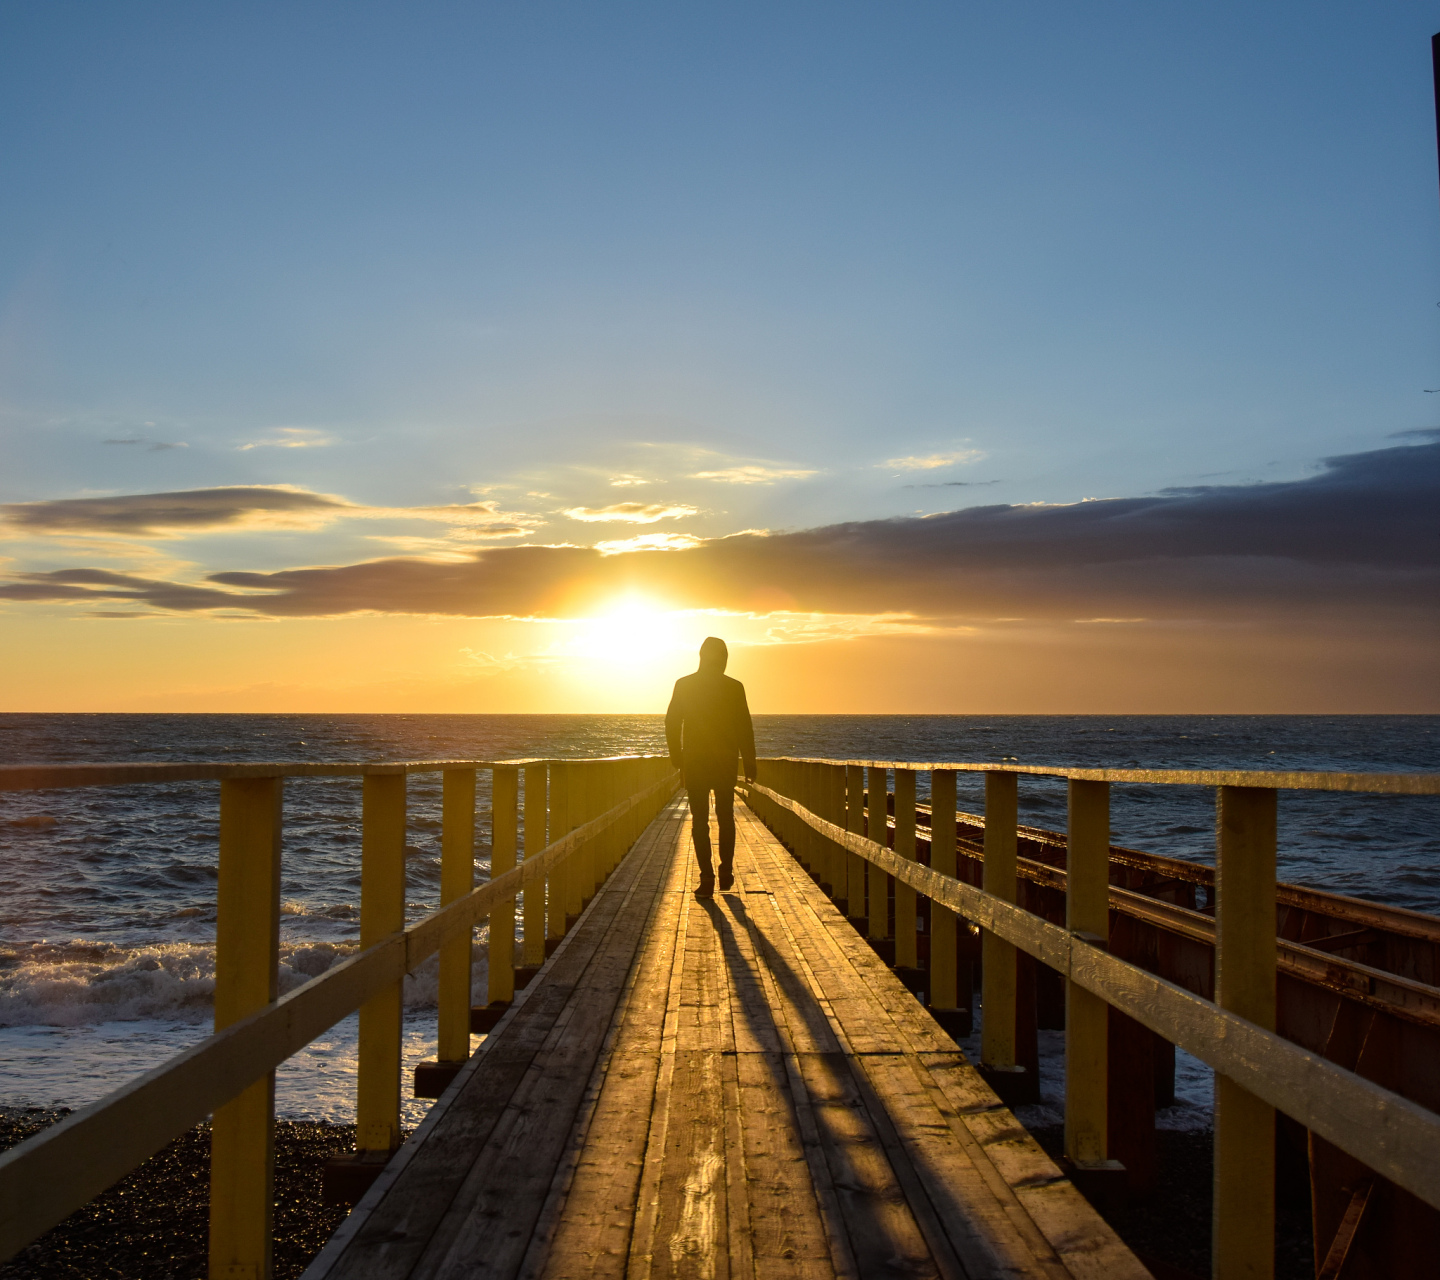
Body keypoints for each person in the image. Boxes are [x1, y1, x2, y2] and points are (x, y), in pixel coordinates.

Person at [665, 636, 757, 897]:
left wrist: (677, 758)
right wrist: (749, 763)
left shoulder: (684, 685)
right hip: (725, 762)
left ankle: (707, 877)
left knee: (700, 822)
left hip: (695, 763)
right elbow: (744, 728)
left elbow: (671, 723)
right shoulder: (734, 687)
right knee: (726, 818)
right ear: (724, 659)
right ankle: (726, 870)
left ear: (701, 657)